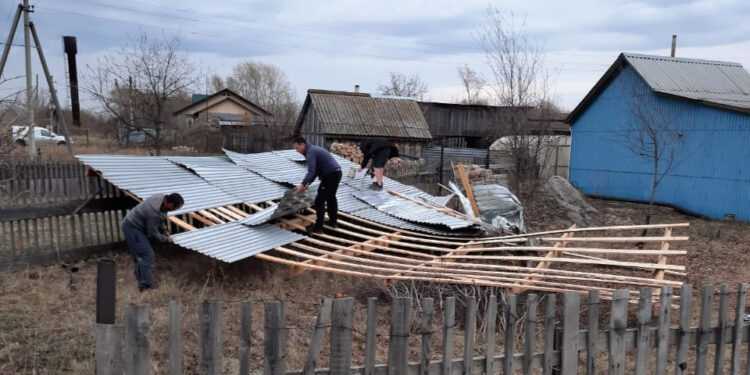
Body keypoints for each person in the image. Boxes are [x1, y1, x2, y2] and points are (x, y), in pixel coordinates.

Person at [121, 193, 184, 291]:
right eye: (174, 207)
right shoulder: (153, 212)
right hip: (132, 227)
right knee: (147, 254)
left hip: (138, 226)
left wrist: (165, 230)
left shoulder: (161, 199)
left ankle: (141, 280)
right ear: (168, 203)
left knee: (141, 255)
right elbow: (152, 233)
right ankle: (146, 286)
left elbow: (161, 217)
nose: (174, 209)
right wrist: (166, 239)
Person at [293, 136, 342, 233]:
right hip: (336, 173)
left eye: (297, 148)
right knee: (331, 198)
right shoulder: (313, 149)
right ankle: (333, 222)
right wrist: (308, 183)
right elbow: (315, 171)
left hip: (330, 175)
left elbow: (311, 171)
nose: (297, 151)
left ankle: (318, 228)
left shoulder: (311, 152)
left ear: (302, 144)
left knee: (319, 201)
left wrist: (303, 184)